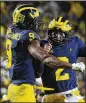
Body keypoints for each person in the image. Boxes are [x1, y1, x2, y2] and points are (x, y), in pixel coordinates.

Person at [6, 4, 85, 102]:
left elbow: (37, 73)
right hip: (23, 88)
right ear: (25, 20)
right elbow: (46, 59)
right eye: (34, 20)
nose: (37, 23)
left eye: (60, 33)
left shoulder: (12, 30)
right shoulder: (29, 36)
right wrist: (73, 66)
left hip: (20, 85)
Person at [37, 17, 86, 102]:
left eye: (61, 34)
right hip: (52, 96)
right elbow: (36, 72)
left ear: (67, 33)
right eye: (53, 33)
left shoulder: (75, 42)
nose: (57, 36)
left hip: (72, 93)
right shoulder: (43, 45)